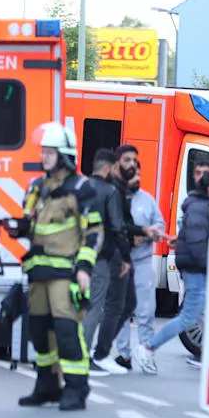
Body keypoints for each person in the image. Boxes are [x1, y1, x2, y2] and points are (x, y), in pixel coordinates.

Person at [0, 122, 103, 411]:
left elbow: (93, 232)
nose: (44, 157)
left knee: (67, 332)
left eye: (50, 152)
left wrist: (84, 268)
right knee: (39, 332)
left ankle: (76, 389)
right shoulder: (37, 187)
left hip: (64, 274)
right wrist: (17, 228)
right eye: (43, 151)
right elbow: (32, 224)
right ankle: (46, 385)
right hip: (37, 272)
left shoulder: (81, 189)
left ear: (65, 155)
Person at [132, 164, 209, 375]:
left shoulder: (207, 207)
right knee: (188, 317)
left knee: (208, 314)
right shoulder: (201, 208)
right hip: (196, 270)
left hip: (199, 269)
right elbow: (196, 241)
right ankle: (148, 347)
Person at [112, 159, 166, 372]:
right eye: (132, 175)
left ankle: (147, 353)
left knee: (146, 311)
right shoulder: (116, 199)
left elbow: (160, 225)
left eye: (138, 175)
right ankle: (123, 355)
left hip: (142, 263)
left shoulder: (148, 200)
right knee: (121, 311)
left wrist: (147, 235)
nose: (136, 179)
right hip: (122, 263)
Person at [81, 149, 131, 373]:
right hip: (98, 257)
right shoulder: (110, 191)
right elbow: (117, 226)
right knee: (94, 307)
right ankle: (82, 357)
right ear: (108, 168)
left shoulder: (79, 186)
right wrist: (125, 257)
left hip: (73, 255)